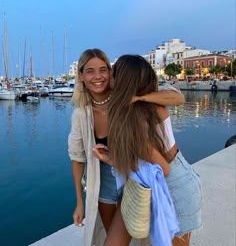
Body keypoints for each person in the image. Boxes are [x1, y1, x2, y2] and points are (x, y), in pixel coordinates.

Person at [68, 49, 185, 246]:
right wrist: (79, 202)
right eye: (90, 71)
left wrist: (140, 98)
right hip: (104, 180)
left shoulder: (125, 98)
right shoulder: (81, 115)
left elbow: (177, 98)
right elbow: (77, 158)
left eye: (103, 70)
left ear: (111, 72)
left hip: (135, 175)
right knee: (113, 236)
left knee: (141, 233)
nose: (98, 77)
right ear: (80, 75)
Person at [93, 54, 202, 246]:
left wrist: (114, 160)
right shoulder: (140, 106)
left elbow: (162, 167)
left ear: (123, 80)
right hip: (147, 181)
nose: (108, 74)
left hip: (172, 186)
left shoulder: (136, 118)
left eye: (113, 71)